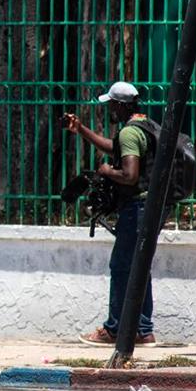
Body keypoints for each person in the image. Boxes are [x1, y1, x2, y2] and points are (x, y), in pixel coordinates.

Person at [63, 82, 158, 347]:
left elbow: (129, 175)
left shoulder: (129, 133)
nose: (110, 109)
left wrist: (106, 172)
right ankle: (143, 330)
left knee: (120, 267)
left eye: (111, 104)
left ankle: (115, 329)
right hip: (150, 207)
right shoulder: (144, 125)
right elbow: (114, 147)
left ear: (120, 105)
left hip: (136, 208)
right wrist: (81, 130)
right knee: (139, 267)